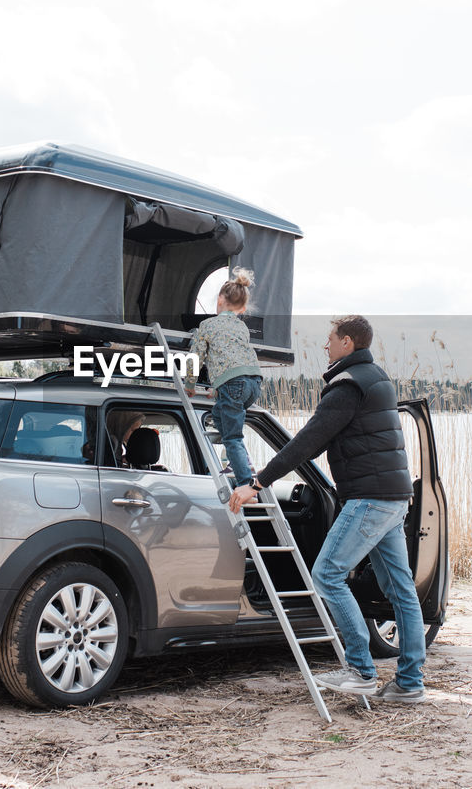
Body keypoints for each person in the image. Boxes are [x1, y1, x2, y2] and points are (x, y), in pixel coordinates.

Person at [229, 315, 426, 704]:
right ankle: (409, 682)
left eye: (330, 339)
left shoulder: (347, 385)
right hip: (394, 496)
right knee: (401, 590)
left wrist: (257, 482)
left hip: (369, 498)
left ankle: (360, 671)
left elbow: (308, 442)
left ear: (348, 342)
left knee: (327, 574)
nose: (325, 346)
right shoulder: (378, 378)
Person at [183, 268, 262, 489]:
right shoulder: (242, 327)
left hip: (234, 385)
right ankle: (235, 462)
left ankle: (246, 484)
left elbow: (194, 359)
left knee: (232, 437)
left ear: (219, 300)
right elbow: (232, 359)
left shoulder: (207, 325)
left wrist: (190, 385)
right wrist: (218, 387)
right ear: (243, 308)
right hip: (254, 383)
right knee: (218, 414)